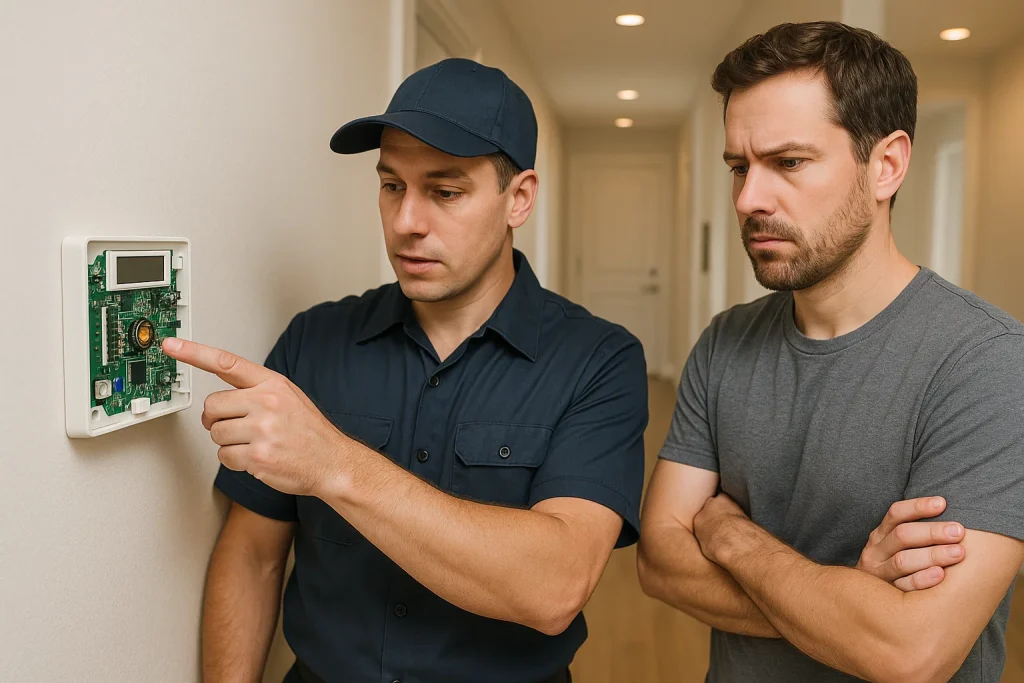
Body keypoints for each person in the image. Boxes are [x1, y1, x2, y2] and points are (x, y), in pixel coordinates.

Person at [163, 57, 647, 683]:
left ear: (518, 199)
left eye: (446, 192)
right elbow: (252, 555)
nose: (406, 223)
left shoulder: (597, 360)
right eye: (392, 186)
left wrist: (333, 463)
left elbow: (555, 587)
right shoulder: (315, 340)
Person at [637, 21, 1024, 682]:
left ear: (888, 165)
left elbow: (910, 651)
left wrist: (732, 535)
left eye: (789, 162)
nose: (749, 199)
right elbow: (658, 561)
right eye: (738, 166)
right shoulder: (725, 342)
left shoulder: (986, 362)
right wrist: (847, 599)